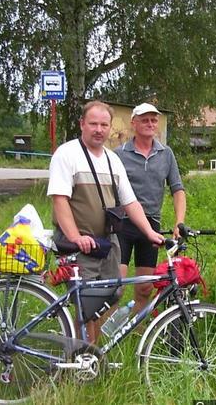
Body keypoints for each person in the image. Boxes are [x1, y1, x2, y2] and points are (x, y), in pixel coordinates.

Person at [47, 100, 164, 343]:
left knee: (111, 295)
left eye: (104, 125)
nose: (99, 130)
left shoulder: (113, 159)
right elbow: (60, 201)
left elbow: (130, 202)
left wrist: (149, 232)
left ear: (110, 127)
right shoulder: (67, 154)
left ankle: (91, 351)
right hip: (79, 244)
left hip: (106, 242)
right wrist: (75, 237)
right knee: (87, 303)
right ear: (82, 124)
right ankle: (85, 356)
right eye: (93, 124)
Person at [115, 102, 186, 316]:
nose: (150, 124)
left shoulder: (166, 154)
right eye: (144, 120)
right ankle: (106, 334)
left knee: (145, 288)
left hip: (151, 225)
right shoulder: (119, 154)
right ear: (134, 123)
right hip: (122, 223)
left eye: (153, 120)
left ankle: (138, 333)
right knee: (115, 288)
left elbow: (177, 189)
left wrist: (179, 222)